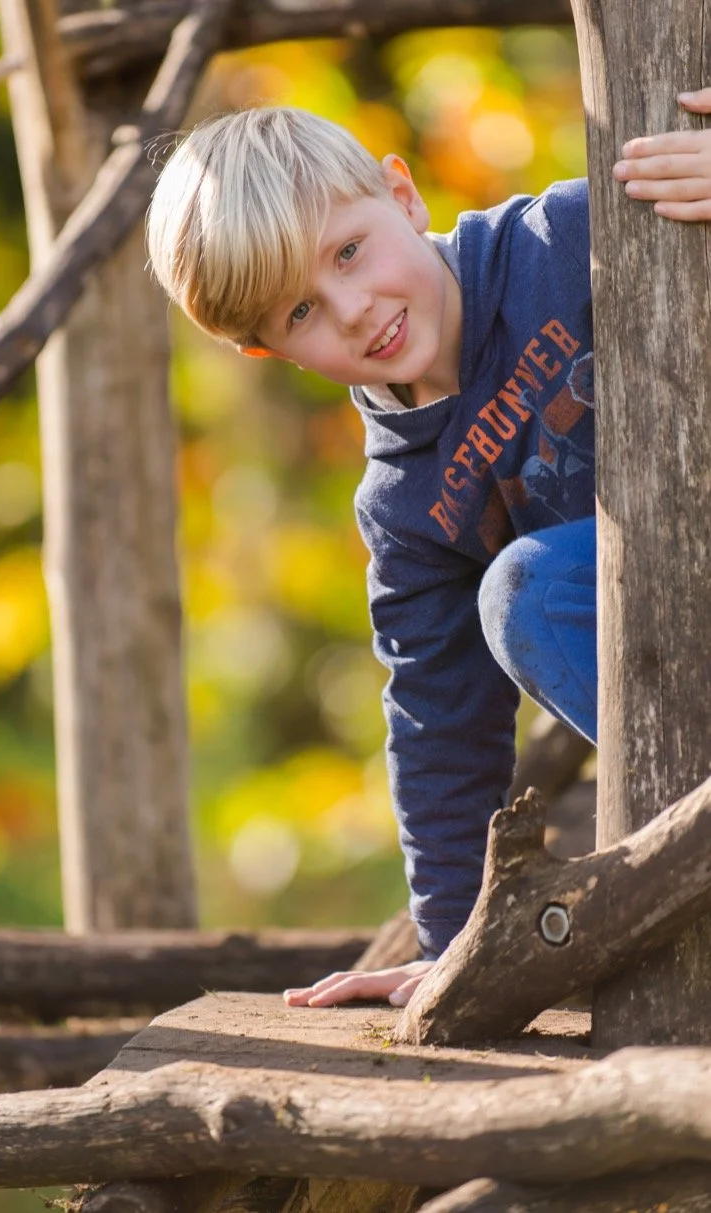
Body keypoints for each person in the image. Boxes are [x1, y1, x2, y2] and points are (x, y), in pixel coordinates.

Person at [146, 87, 711, 1010]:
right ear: (261, 352)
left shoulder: (569, 239)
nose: (354, 308)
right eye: (299, 313)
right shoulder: (407, 507)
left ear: (402, 195)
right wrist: (452, 944)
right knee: (522, 594)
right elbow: (438, 719)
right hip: (674, 646)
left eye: (349, 251)